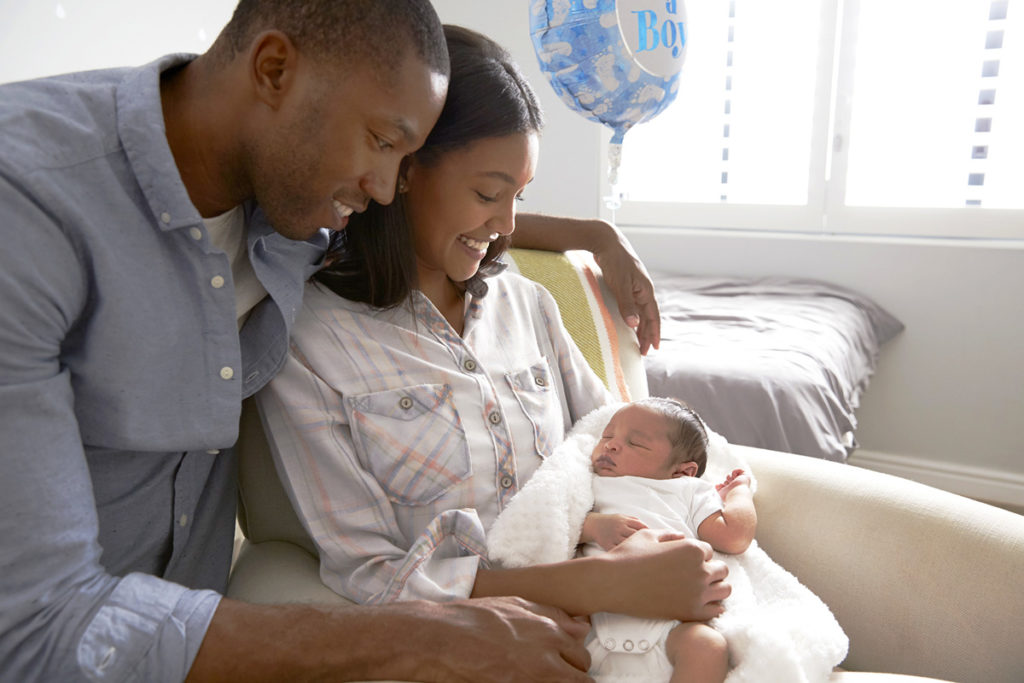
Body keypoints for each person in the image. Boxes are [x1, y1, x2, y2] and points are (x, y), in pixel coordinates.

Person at [0, 1, 670, 681]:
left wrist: (595, 236)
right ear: (273, 69)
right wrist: (421, 635)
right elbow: (38, 626)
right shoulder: (27, 206)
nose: (385, 187)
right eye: (383, 142)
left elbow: (443, 210)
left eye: (404, 157)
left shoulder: (297, 190)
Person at [256, 22, 729, 649]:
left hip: (624, 613)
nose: (506, 225)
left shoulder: (526, 303)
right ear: (402, 170)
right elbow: (372, 573)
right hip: (493, 641)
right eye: (488, 193)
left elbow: (613, 440)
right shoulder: (310, 340)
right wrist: (602, 586)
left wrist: (718, 498)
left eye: (520, 197)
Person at [581, 398, 756, 683]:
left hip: (668, 624)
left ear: (681, 471)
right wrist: (591, 527)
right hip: (589, 617)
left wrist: (739, 492)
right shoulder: (585, 481)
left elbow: (735, 536)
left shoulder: (687, 490)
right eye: (607, 436)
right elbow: (554, 525)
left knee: (707, 647)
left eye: (635, 443)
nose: (611, 445)